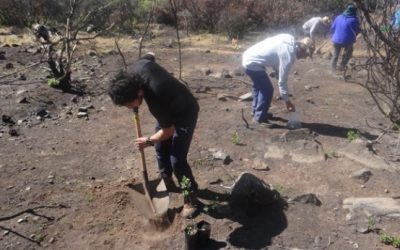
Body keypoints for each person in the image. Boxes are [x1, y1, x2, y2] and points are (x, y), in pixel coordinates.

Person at [108, 54, 200, 218]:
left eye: (130, 104)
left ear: (139, 92)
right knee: (161, 147)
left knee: (177, 159)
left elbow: (169, 131)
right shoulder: (135, 70)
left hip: (185, 111)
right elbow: (149, 57)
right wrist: (155, 141)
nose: (130, 108)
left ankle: (190, 195)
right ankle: (167, 179)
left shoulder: (156, 98)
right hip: (169, 105)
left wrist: (148, 140)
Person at [242, 34, 315, 127]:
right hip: (252, 63)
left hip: (249, 54)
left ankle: (256, 111)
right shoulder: (289, 55)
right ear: (302, 49)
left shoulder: (289, 38)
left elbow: (274, 52)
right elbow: (282, 82)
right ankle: (259, 118)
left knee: (258, 86)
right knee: (267, 89)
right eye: (306, 55)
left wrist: (276, 71)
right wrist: (288, 102)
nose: (305, 58)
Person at [330, 3, 360, 73]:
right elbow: (357, 30)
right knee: (348, 52)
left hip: (336, 40)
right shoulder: (354, 20)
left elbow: (332, 28)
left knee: (335, 55)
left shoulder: (338, 17)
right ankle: (342, 66)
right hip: (347, 41)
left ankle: (332, 69)